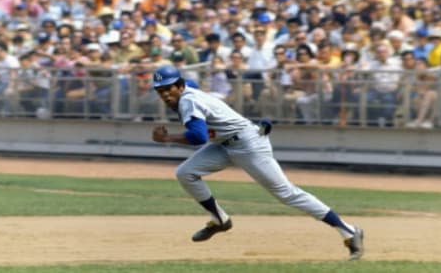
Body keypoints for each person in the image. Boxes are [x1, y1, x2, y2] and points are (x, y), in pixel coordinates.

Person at [151, 65, 364, 260]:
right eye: (161, 91)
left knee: (287, 193)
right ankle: (219, 220)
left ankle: (349, 232)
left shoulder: (188, 100)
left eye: (169, 88)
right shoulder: (187, 89)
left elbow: (198, 137)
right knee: (185, 173)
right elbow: (194, 86)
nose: (165, 94)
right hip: (225, 144)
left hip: (248, 144)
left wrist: (167, 139)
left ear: (179, 85)